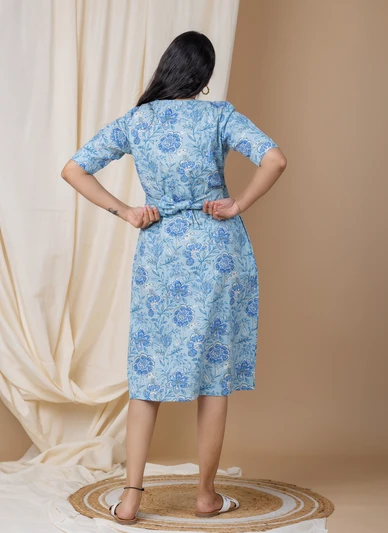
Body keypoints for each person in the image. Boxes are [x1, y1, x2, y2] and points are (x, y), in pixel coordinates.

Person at [61, 30, 287, 524]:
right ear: (203, 77)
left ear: (166, 68)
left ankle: (130, 498)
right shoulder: (218, 115)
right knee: (214, 377)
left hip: (160, 253)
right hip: (216, 251)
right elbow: (275, 159)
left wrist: (126, 211)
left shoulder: (137, 121)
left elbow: (74, 169)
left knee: (148, 375)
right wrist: (238, 204)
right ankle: (206, 496)